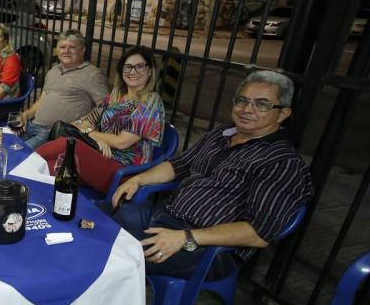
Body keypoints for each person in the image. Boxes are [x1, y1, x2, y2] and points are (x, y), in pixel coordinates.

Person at [110, 70, 314, 279]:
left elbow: (258, 233)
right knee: (96, 221)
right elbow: (179, 165)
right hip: (166, 217)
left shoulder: (282, 163)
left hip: (205, 247)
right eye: (242, 100)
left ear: (283, 114)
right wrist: (138, 179)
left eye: (262, 104)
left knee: (115, 258)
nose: (246, 109)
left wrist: (185, 237)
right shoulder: (220, 135)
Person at [36, 45, 164, 194]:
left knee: (67, 143)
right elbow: (81, 121)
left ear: (150, 71)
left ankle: (22, 161)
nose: (133, 71)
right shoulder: (115, 98)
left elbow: (121, 142)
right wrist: (95, 138)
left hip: (125, 173)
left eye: (140, 66)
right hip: (100, 160)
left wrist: (91, 134)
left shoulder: (150, 102)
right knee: (49, 167)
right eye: (128, 66)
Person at [14, 29, 107, 149]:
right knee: (3, 144)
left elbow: (105, 105)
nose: (66, 51)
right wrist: (25, 115)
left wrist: (80, 123)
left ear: (82, 50)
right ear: (57, 50)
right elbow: (42, 101)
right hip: (32, 125)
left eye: (72, 47)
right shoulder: (54, 71)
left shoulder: (92, 74)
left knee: (19, 154)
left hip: (55, 134)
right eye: (62, 47)